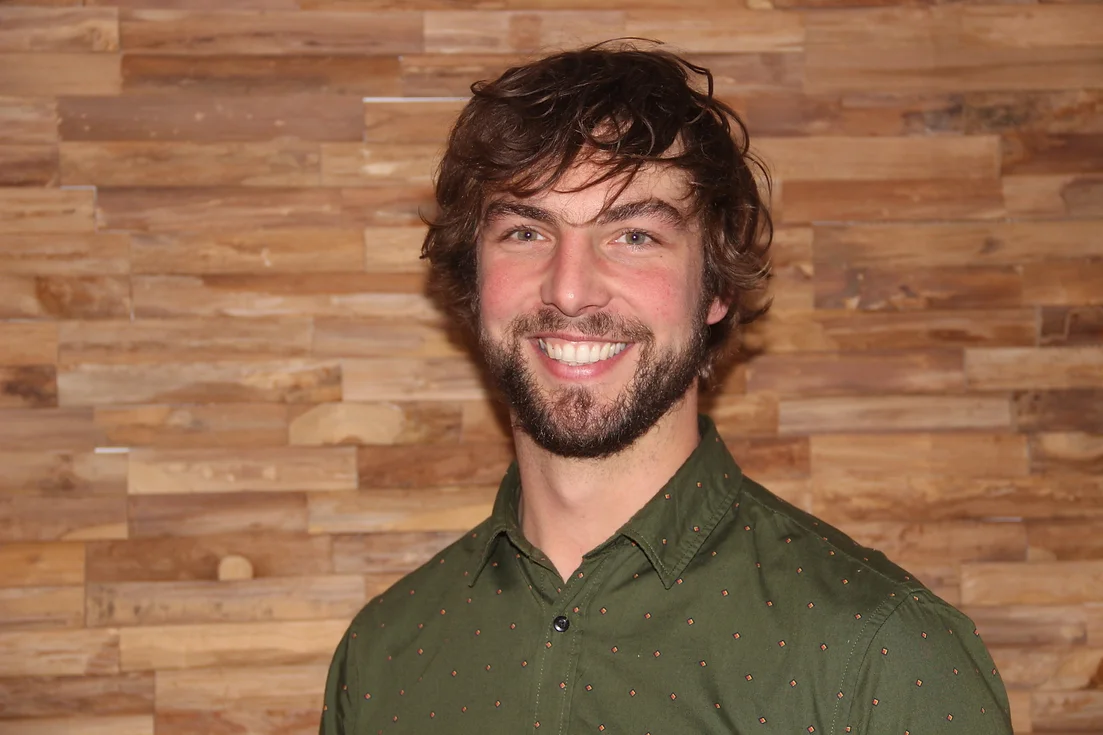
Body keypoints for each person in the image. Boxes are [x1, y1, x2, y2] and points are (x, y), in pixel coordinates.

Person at [320, 42, 1013, 735]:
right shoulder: (382, 656)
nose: (568, 288)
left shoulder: (885, 653)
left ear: (714, 286)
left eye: (634, 236)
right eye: (527, 230)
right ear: (474, 280)